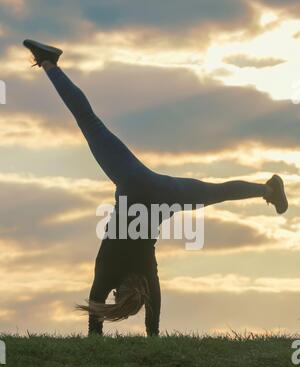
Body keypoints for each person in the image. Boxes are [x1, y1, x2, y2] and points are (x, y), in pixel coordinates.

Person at [23, 39, 288, 337]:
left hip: (164, 194)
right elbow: (95, 319)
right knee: (89, 123)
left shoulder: (148, 275)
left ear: (141, 290)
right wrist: (104, 326)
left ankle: (267, 190)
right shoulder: (107, 270)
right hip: (136, 183)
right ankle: (49, 63)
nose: (109, 296)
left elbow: (154, 328)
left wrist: (150, 331)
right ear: (118, 291)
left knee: (216, 192)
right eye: (115, 297)